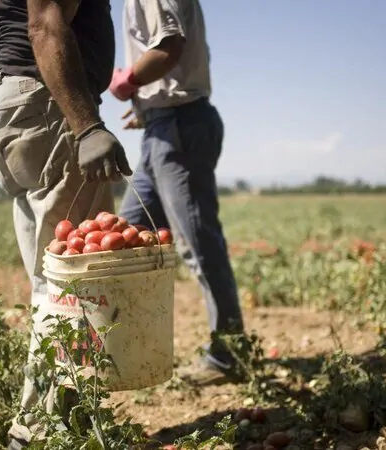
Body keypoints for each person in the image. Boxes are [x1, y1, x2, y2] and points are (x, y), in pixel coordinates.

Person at [0, 0, 132, 447]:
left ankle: (53, 422)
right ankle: (41, 433)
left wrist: (8, 97)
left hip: (4, 103)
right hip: (47, 103)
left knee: (51, 281)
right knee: (75, 285)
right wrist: (86, 126)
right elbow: (44, 24)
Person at [108, 0, 247, 386]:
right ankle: (123, 350)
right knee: (127, 239)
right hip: (164, 125)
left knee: (198, 243)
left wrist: (128, 82)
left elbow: (169, 46)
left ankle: (229, 355)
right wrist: (149, 108)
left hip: (180, 126)